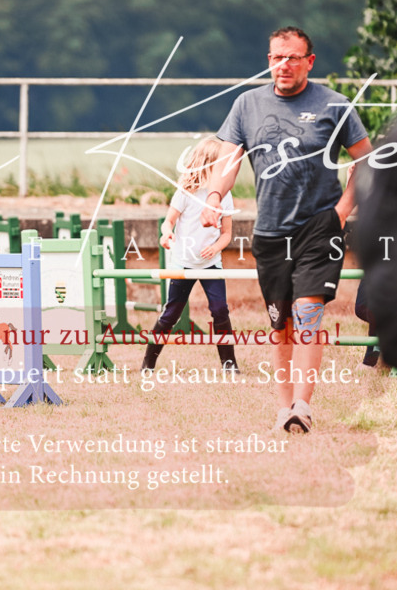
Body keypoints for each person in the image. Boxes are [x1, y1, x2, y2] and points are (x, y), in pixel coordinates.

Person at [201, 26, 373, 433]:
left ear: (309, 62)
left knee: (308, 312)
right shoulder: (247, 105)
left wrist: (342, 211)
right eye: (277, 57)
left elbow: (370, 161)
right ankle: (284, 409)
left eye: (293, 57)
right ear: (268, 61)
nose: (284, 65)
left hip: (320, 227)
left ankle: (303, 405)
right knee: (281, 326)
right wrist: (212, 198)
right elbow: (228, 163)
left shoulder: (335, 106)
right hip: (272, 230)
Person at [141, 136, 238, 373]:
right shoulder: (185, 192)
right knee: (171, 313)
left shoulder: (224, 196)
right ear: (207, 164)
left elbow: (226, 235)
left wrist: (216, 248)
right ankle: (148, 362)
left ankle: (229, 363)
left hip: (211, 265)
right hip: (183, 264)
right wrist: (166, 235)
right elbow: (168, 223)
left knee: (220, 311)